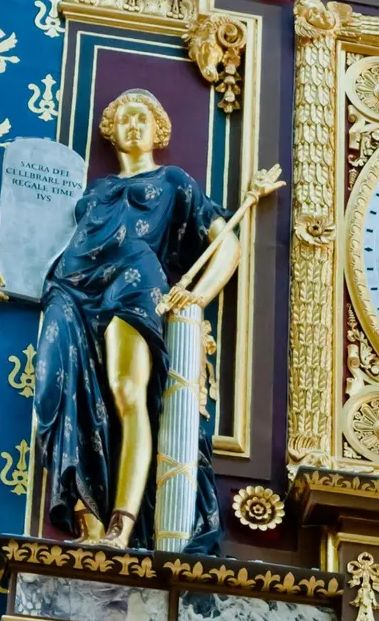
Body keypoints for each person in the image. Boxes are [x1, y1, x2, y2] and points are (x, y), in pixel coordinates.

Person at [23, 90, 237, 550]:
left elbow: (228, 245)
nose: (133, 125)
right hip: (71, 288)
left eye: (142, 117)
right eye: (123, 118)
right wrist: (4, 267)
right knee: (54, 388)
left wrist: (197, 296)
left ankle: (121, 523)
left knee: (127, 391)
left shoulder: (174, 181)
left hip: (133, 283)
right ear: (111, 131)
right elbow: (48, 248)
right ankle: (88, 520)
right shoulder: (95, 190)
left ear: (158, 130)